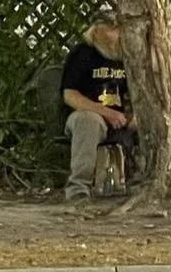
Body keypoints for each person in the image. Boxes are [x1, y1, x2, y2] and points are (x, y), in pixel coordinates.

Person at [59, 22, 137, 202]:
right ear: (97, 30)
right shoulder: (82, 54)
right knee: (88, 120)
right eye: (111, 28)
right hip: (87, 116)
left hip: (121, 117)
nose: (116, 33)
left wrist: (133, 115)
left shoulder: (128, 55)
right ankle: (78, 188)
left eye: (118, 28)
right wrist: (106, 113)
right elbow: (70, 95)